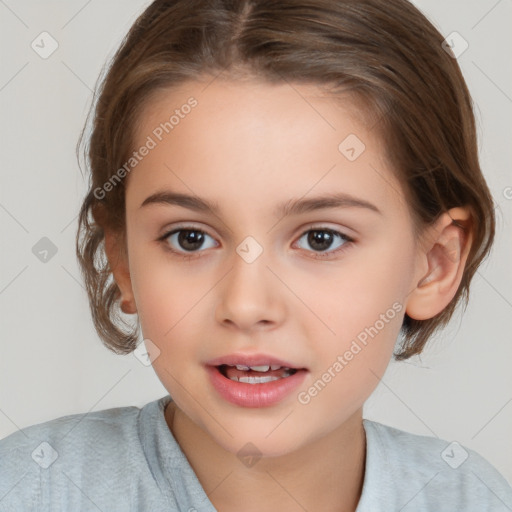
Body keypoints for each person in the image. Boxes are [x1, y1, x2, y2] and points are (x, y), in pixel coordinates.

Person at [1, 0, 511, 510]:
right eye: (190, 238)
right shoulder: (29, 490)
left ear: (435, 263)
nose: (246, 305)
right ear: (124, 260)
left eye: (320, 239)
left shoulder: (470, 497)